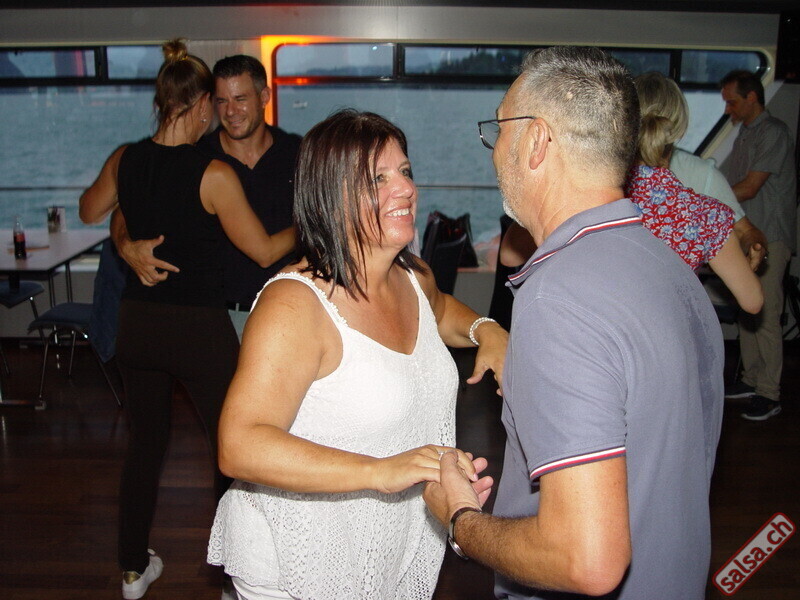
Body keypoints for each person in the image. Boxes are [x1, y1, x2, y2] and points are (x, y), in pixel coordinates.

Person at [424, 46, 725, 600]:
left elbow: (586, 562)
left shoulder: (559, 298)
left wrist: (461, 521)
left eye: (500, 130)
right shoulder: (672, 269)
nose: (495, 152)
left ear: (536, 141)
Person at [207, 109, 505, 600]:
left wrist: (486, 329)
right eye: (378, 179)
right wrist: (380, 471)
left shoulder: (413, 276)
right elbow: (239, 445)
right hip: (300, 558)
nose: (405, 189)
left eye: (404, 171)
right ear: (331, 196)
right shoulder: (295, 305)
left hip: (385, 542)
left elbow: (441, 310)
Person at [79, 40, 294, 600]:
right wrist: (311, 222)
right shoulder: (213, 172)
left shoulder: (125, 159)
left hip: (138, 326)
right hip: (199, 330)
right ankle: (232, 576)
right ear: (199, 105)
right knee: (231, 448)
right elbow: (265, 251)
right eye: (214, 105)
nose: (218, 115)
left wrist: (127, 219)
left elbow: (89, 208)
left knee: (144, 447)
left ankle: (132, 570)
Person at [111, 54, 300, 339]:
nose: (231, 111)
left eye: (240, 99)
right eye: (221, 101)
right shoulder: (197, 159)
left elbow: (326, 214)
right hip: (218, 317)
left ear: (264, 97)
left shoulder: (298, 154)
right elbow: (124, 209)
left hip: (287, 309)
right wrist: (125, 245)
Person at [625, 73, 763, 314]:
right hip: (667, 333)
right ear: (678, 130)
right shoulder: (703, 216)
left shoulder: (595, 199)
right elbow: (753, 302)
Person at [719, 70, 797, 420]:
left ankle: (769, 392)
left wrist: (706, 196)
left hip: (771, 237)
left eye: (732, 102)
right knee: (747, 308)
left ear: (752, 98)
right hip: (748, 235)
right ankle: (751, 379)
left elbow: (749, 188)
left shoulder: (774, 132)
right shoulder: (745, 134)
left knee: (766, 313)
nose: (728, 109)